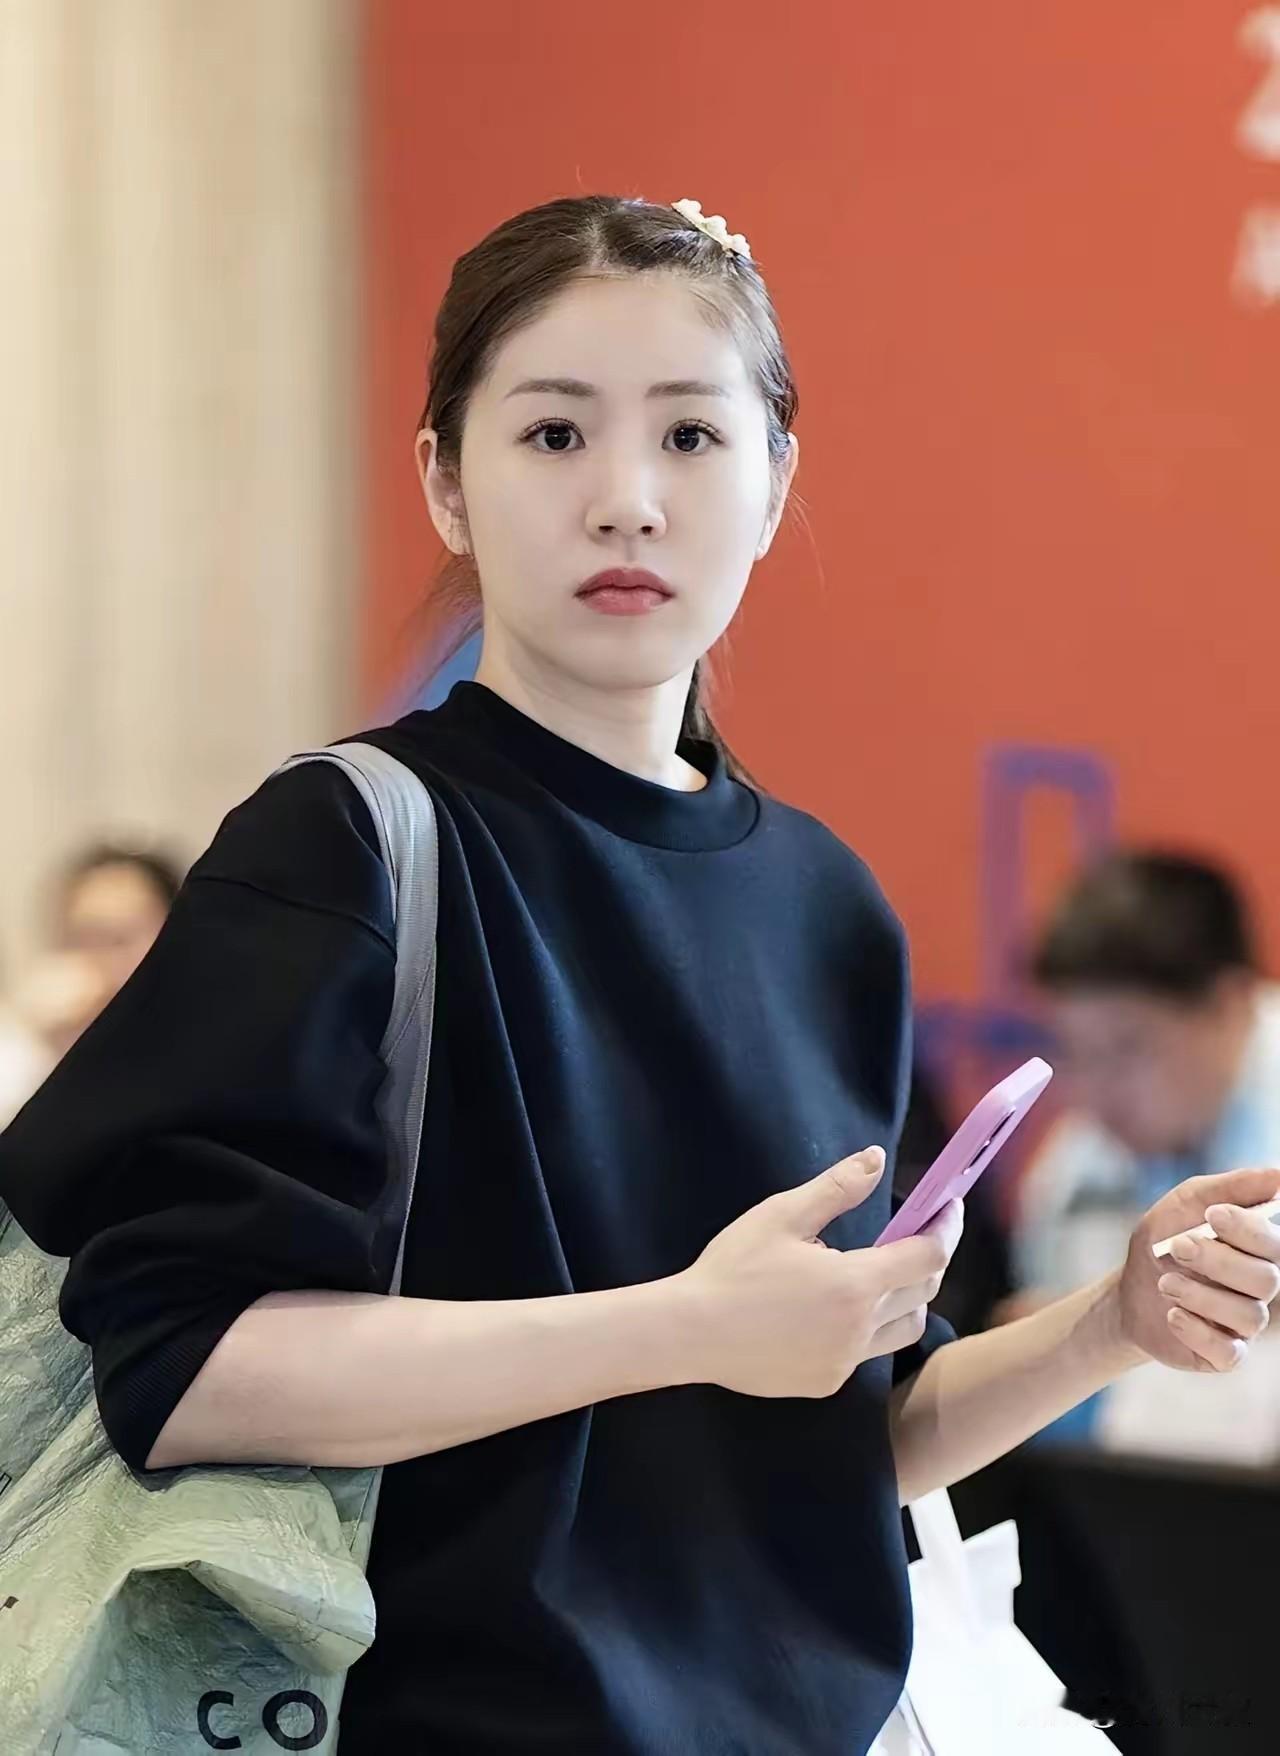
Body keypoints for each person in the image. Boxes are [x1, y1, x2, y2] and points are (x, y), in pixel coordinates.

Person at [1, 195, 1277, 1756]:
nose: (626, 501)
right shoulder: (345, 847)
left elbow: (840, 1441)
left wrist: (1112, 1323)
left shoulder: (825, 905)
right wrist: (680, 1324)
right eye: (553, 434)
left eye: (690, 436)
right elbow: (184, 1367)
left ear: (775, 478)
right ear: (444, 479)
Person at [1012, 852, 1280, 1302]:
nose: (1094, 1090)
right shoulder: (1069, 1176)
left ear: (1230, 1005)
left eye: (1126, 1048)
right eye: (1077, 1053)